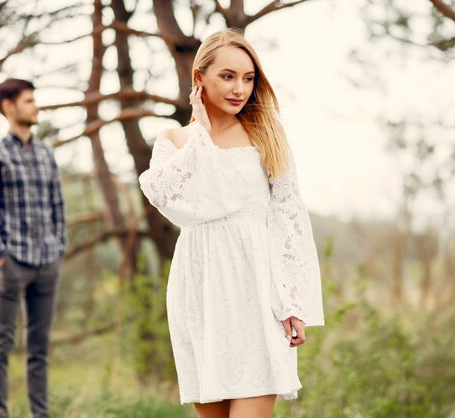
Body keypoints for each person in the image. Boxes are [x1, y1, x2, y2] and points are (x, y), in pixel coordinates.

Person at [138, 29, 325, 418]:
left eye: (248, 77)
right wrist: (202, 135)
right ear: (199, 78)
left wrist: (293, 303)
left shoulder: (267, 136)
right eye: (228, 76)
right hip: (200, 293)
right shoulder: (175, 140)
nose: (240, 88)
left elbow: (289, 219)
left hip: (257, 291)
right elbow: (164, 197)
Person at [0, 78, 66, 418]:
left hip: (47, 263)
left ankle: (39, 415)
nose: (36, 106)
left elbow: (57, 206)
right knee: (0, 347)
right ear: (9, 107)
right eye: (29, 101)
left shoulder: (46, 153)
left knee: (39, 349)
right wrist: (1, 257)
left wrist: (59, 248)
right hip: (10, 266)